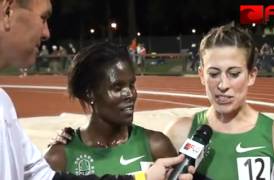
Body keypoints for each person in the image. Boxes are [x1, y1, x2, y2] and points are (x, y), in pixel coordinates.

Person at [0, 0, 194, 179]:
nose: (47, 33)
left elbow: (42, 176)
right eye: (43, 18)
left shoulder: (4, 104)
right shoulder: (60, 154)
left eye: (131, 85)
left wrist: (142, 178)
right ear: (7, 11)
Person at [165, 25, 274, 179]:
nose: (223, 85)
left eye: (234, 74)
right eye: (213, 74)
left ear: (251, 75)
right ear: (201, 75)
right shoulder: (179, 132)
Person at [44, 42, 177, 176]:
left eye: (131, 85)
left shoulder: (157, 146)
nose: (130, 94)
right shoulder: (59, 158)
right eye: (117, 88)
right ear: (90, 93)